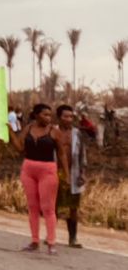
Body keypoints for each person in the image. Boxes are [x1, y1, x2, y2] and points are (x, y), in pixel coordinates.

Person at [15, 102, 58, 254]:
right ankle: (34, 241)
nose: (48, 118)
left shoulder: (53, 131)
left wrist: (64, 173)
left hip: (47, 170)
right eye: (45, 114)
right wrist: (9, 131)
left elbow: (62, 154)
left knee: (47, 208)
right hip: (28, 168)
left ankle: (51, 242)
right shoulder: (28, 128)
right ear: (36, 115)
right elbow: (20, 148)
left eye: (50, 115)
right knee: (33, 207)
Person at [54, 103, 87, 249]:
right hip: (55, 172)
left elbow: (82, 154)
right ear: (59, 117)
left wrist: (82, 173)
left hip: (74, 173)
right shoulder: (53, 131)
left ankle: (72, 238)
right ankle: (51, 235)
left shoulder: (76, 133)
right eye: (65, 116)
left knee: (73, 207)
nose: (69, 119)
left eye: (71, 116)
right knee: (54, 205)